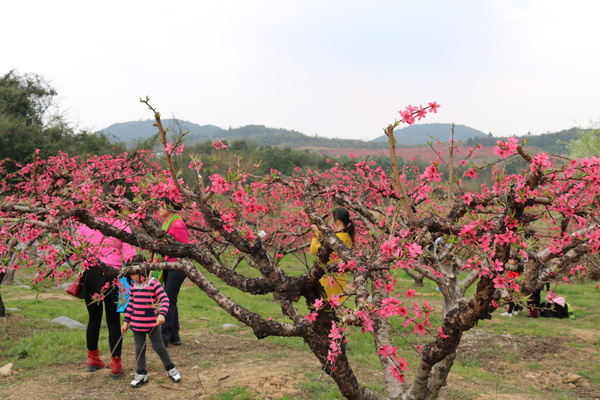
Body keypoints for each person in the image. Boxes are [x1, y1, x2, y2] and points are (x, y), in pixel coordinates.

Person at [76, 215, 137, 378]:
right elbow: (131, 255)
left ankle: (92, 359)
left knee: (93, 319)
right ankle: (116, 364)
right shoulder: (122, 224)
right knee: (113, 322)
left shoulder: (86, 223)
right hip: (112, 274)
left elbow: (76, 250)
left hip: (90, 274)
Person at [121, 272, 182, 387]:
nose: (133, 277)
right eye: (131, 275)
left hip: (151, 323)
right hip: (137, 324)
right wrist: (126, 322)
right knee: (139, 349)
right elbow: (131, 305)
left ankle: (171, 369)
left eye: (136, 274)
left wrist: (162, 314)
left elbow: (165, 299)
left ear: (143, 272)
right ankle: (141, 374)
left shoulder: (153, 283)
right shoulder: (134, 286)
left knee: (159, 347)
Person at [156, 197, 190, 347]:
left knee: (167, 300)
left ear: (170, 207)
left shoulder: (177, 225)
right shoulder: (168, 223)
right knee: (171, 300)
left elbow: (183, 248)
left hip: (177, 266)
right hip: (169, 265)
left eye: (162, 205)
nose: (159, 208)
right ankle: (174, 336)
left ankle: (164, 337)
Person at [310, 207, 355, 302]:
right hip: (337, 278)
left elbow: (314, 250)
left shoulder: (339, 237)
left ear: (338, 221)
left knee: (329, 306)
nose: (331, 221)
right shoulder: (344, 236)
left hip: (331, 280)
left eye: (332, 218)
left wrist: (315, 234)